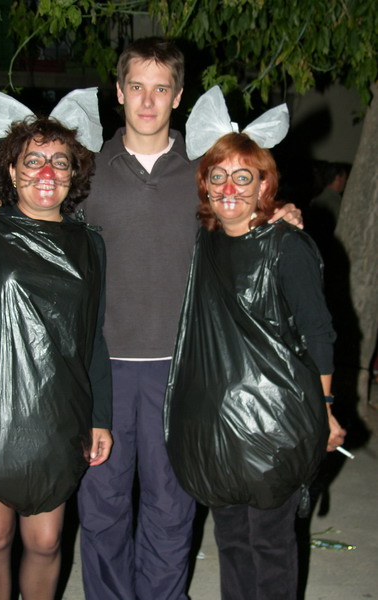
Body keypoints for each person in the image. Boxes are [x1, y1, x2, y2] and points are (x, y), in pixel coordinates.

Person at [0, 38, 302, 600]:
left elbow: (244, 212)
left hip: (184, 369)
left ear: (179, 96)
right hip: (99, 369)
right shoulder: (87, 171)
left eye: (160, 88)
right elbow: (36, 207)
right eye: (136, 87)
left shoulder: (204, 170)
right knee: (102, 506)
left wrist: (278, 212)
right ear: (118, 92)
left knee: (172, 506)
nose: (147, 100)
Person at [0, 88, 112, 600]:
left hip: (55, 411)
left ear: (73, 174)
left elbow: (92, 334)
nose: (46, 172)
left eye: (59, 162)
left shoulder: (89, 244)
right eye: (33, 161)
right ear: (12, 171)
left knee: (46, 541)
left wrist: (101, 415)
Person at [164, 87, 346, 600]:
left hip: (275, 423)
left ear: (264, 184)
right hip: (217, 428)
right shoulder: (203, 242)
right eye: (218, 176)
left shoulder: (288, 245)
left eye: (243, 177)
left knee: (269, 542)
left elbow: (319, 331)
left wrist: (326, 407)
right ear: (204, 183)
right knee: (231, 540)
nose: (229, 188)